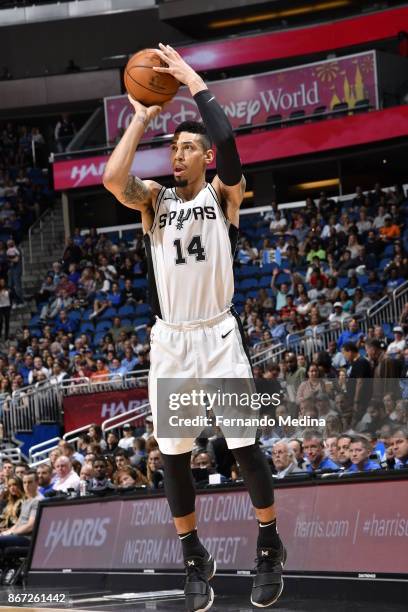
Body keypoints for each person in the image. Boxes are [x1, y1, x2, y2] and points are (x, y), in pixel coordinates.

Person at [103, 43, 285, 611]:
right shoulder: (153, 201)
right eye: (173, 148)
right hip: (172, 341)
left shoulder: (222, 192)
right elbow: (113, 177)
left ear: (203, 158)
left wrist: (190, 79)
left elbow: (229, 144)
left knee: (245, 447)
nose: (176, 155)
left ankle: (269, 544)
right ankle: (193, 557)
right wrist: (140, 119)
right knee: (174, 455)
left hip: (219, 336)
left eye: (186, 148)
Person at [0, 471, 42, 554]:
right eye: (24, 482)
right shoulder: (27, 501)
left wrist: (11, 533)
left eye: (30, 482)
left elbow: (30, 526)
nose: (26, 485)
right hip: (19, 535)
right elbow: (19, 523)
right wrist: (6, 532)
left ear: (37, 483)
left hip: (28, 538)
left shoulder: (38, 501)